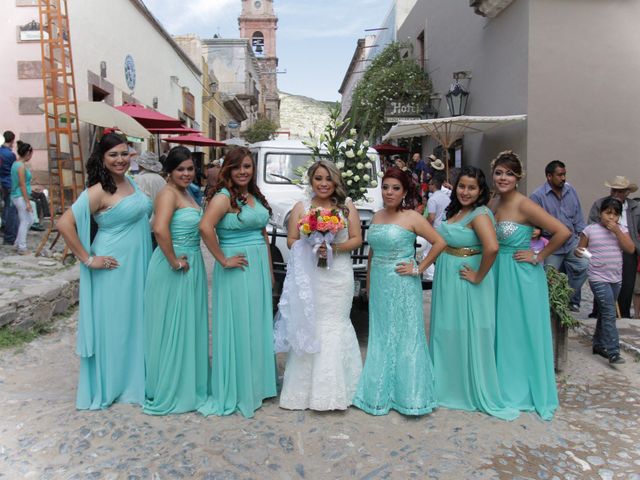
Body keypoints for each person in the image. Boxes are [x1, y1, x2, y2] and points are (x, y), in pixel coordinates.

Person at [57, 132, 152, 410]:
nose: (120, 160)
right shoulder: (98, 190)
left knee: (135, 322)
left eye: (124, 153)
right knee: (115, 324)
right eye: (113, 155)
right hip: (113, 266)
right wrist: (88, 259)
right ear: (102, 158)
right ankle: (111, 384)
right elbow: (64, 224)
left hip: (139, 264)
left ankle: (134, 380)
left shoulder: (131, 182)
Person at [352, 167, 445, 416]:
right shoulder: (377, 216)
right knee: (381, 335)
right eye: (385, 187)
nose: (389, 192)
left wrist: (419, 267)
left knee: (406, 336)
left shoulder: (412, 216)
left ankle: (410, 397)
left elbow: (439, 243)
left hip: (403, 284)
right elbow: (371, 254)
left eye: (395, 188)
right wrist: (370, 286)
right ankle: (379, 393)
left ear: (404, 191)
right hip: (380, 284)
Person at [429, 166, 518, 420]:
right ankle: (447, 383)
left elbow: (491, 248)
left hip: (466, 279)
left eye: (471, 187)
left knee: (467, 331)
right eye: (462, 186)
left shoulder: (479, 213)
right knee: (448, 331)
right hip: (448, 277)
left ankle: (464, 388)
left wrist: (478, 276)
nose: (465, 192)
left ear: (480, 191)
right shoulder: (457, 210)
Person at [489, 151, 571, 420]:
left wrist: (539, 256)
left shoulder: (525, 205)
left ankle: (521, 387)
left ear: (518, 177)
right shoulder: (494, 202)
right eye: (499, 172)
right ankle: (500, 382)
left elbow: (563, 232)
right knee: (501, 329)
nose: (503, 177)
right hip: (497, 272)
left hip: (520, 274)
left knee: (519, 329)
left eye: (509, 173)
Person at [277, 159, 363, 411]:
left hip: (338, 276)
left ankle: (343, 391)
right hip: (311, 275)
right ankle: (304, 393)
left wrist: (332, 247)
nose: (324, 184)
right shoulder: (301, 207)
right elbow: (292, 240)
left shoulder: (346, 207)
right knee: (311, 323)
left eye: (328, 179)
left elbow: (357, 239)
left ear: (335, 181)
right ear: (311, 181)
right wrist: (311, 246)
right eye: (318, 178)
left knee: (336, 324)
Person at [198, 146, 276, 418]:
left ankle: (256, 384)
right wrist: (222, 259)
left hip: (257, 268)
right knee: (240, 324)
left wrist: (269, 270)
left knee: (255, 323)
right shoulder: (222, 197)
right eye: (237, 167)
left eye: (247, 166)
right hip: (236, 265)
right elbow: (205, 227)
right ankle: (240, 386)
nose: (243, 172)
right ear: (227, 170)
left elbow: (262, 233)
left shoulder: (251, 195)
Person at [143, 146, 208, 415]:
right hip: (174, 266)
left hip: (191, 262)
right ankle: (170, 386)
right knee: (172, 326)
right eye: (180, 169)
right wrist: (173, 261)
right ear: (169, 171)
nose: (186, 173)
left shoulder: (185, 193)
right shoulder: (168, 193)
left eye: (190, 169)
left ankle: (186, 381)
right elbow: (159, 228)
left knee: (187, 325)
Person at [577, 197, 635, 364]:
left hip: (615, 278)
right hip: (597, 277)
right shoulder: (590, 230)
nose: (611, 218)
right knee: (610, 312)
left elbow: (630, 249)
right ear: (600, 213)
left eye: (615, 214)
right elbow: (579, 249)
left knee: (604, 312)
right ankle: (613, 351)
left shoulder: (622, 230)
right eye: (607, 213)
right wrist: (580, 252)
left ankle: (598, 344)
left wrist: (616, 231)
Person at [530, 160, 588, 312]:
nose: (563, 178)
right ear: (549, 176)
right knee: (548, 279)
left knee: (584, 266)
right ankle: (550, 309)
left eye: (564, 174)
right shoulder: (537, 196)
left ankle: (566, 297)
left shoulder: (570, 190)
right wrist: (540, 232)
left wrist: (582, 238)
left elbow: (578, 216)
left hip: (571, 242)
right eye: (560, 175)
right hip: (552, 244)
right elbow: (533, 222)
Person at [588, 177, 640, 318]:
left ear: (627, 192)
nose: (616, 193)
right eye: (614, 190)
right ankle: (599, 313)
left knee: (626, 284)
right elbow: (591, 224)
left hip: (628, 245)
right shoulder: (600, 204)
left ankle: (622, 314)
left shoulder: (635, 207)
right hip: (606, 245)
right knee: (603, 280)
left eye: (620, 191)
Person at [134, 151, 166, 249]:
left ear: (141, 165)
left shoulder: (139, 179)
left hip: (146, 225)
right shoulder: (161, 180)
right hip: (161, 224)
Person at [10, 141, 35, 254]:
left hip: (18, 195)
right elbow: (22, 184)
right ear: (28, 153)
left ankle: (17, 243)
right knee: (25, 221)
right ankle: (22, 247)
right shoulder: (20, 166)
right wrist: (28, 202)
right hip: (20, 196)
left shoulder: (17, 164)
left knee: (29, 220)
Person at [0, 131, 18, 245]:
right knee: (10, 209)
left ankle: (4, 229)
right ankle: (9, 236)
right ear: (12, 140)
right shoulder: (10, 155)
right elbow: (14, 171)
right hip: (8, 183)